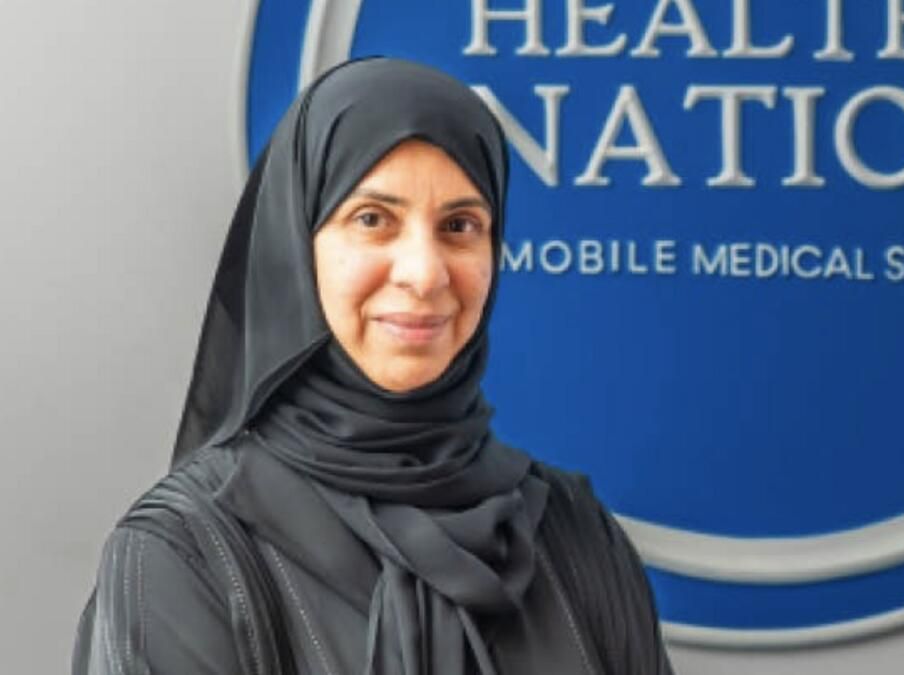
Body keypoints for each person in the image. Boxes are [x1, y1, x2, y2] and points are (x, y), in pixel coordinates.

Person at [73, 57, 674, 675]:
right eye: (372, 220)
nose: (425, 272)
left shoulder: (574, 532)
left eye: (459, 225)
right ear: (297, 246)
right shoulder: (186, 553)